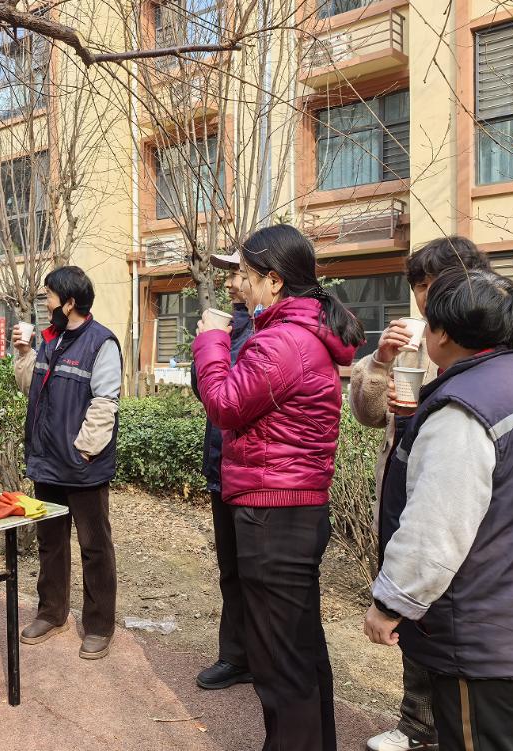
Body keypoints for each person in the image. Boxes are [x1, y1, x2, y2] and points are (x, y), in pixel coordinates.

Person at [349, 236, 513, 751]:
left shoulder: (464, 410)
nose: (424, 298)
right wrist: (380, 365)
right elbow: (369, 413)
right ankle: (418, 723)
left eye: (434, 289)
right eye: (419, 285)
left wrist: (389, 601)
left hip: (479, 612)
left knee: (475, 728)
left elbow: (437, 525)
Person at [193, 224, 364, 751]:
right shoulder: (296, 333)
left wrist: (210, 340)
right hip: (291, 508)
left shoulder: (283, 341)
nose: (235, 285)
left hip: (274, 511)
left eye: (244, 275)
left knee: (280, 660)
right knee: (299, 651)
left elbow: (224, 404)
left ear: (273, 280)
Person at [11, 266, 122, 660]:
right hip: (47, 464)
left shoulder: (101, 342)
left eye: (50, 296)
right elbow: (31, 388)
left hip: (81, 466)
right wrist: (24, 354)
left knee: (95, 546)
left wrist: (83, 451)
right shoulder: (50, 340)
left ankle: (99, 625)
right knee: (51, 543)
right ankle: (51, 612)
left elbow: (105, 402)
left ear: (69, 302)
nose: (46, 303)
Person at [190, 252, 254, 690]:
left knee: (258, 574)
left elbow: (237, 397)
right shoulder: (231, 326)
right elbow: (209, 393)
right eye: (229, 274)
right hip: (222, 464)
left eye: (239, 273)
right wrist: (207, 345)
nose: (230, 283)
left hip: (255, 473)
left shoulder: (266, 331)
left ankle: (265, 659)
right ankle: (236, 656)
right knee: (230, 569)